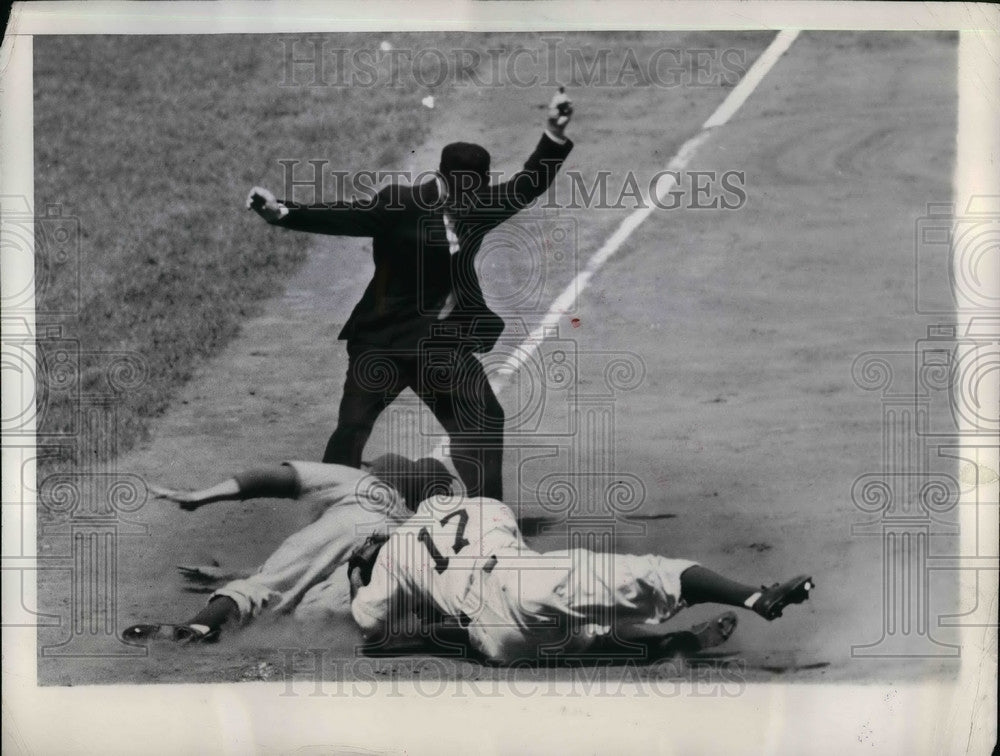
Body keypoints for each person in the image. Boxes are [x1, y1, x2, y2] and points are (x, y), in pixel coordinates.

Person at [246, 88, 575, 501]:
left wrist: (552, 133)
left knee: (485, 417)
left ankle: (487, 515)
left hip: (440, 346)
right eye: (461, 191)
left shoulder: (478, 206)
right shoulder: (400, 204)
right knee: (352, 427)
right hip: (383, 341)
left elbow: (527, 185)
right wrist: (282, 211)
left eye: (476, 190)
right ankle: (330, 509)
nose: (468, 200)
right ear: (441, 179)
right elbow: (346, 216)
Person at [350, 495, 814, 664]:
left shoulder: (390, 562)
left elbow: (370, 628)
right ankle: (755, 596)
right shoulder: (483, 506)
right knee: (652, 573)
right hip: (521, 579)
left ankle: (674, 645)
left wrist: (358, 579)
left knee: (589, 642)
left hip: (496, 640)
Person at [121, 453, 453, 644]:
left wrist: (200, 496)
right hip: (388, 557)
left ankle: (199, 628)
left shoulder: (363, 484)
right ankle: (331, 622)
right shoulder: (420, 530)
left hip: (351, 518)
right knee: (318, 608)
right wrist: (228, 573)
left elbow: (271, 478)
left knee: (264, 587)